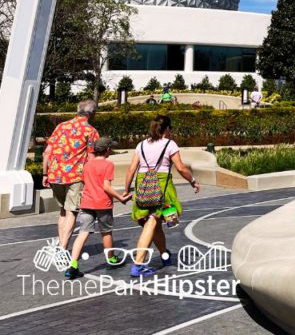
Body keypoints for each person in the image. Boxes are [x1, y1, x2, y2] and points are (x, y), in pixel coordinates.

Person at [124, 115, 199, 277]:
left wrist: (126, 189)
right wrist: (192, 181)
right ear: (167, 129)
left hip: (143, 184)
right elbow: (180, 167)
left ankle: (165, 255)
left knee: (155, 223)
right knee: (152, 222)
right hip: (161, 185)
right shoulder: (170, 144)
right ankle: (138, 264)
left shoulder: (141, 144)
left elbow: (131, 169)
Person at [65, 137, 131, 279]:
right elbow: (106, 186)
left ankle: (73, 265)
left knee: (83, 232)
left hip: (86, 203)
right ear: (107, 150)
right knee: (106, 232)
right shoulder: (108, 165)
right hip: (102, 203)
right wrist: (121, 198)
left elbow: (85, 181)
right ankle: (111, 259)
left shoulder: (87, 165)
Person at [43, 100, 99, 250]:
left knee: (62, 211)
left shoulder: (61, 126)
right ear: (92, 113)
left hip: (55, 174)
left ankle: (61, 245)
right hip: (75, 176)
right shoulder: (90, 130)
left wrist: (44, 174)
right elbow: (91, 157)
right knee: (71, 212)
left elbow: (47, 152)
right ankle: (63, 248)